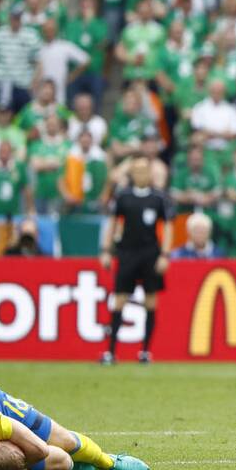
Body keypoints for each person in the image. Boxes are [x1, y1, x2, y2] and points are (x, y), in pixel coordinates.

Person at [0, 378, 149, 470]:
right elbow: (40, 454)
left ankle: (108, 462)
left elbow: (41, 449)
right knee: (63, 462)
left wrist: (26, 456)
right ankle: (77, 464)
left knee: (65, 441)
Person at [100, 157, 174, 366]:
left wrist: (165, 254)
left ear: (150, 173)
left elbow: (168, 226)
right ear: (131, 174)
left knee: (150, 301)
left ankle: (145, 352)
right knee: (120, 299)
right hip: (127, 253)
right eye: (137, 170)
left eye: (145, 170)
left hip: (150, 253)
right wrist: (106, 250)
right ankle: (111, 351)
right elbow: (113, 223)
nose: (141, 174)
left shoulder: (159, 198)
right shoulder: (123, 197)